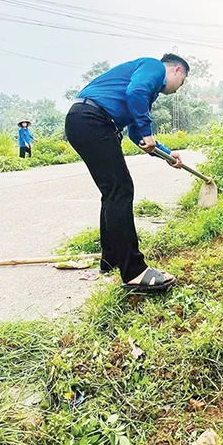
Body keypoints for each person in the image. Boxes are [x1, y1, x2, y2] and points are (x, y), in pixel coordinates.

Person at [65, 53, 188, 293]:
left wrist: (166, 154)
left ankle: (111, 260)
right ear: (176, 70)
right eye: (182, 82)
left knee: (112, 192)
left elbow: (136, 134)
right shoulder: (153, 66)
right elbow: (136, 94)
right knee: (121, 190)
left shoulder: (145, 89)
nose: (177, 89)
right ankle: (133, 271)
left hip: (84, 120)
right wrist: (146, 129)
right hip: (92, 119)